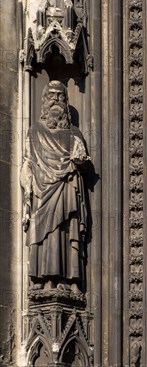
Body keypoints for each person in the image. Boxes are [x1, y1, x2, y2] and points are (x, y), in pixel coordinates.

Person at [20, 81, 90, 293]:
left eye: (60, 97)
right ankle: (42, 278)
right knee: (45, 233)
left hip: (66, 188)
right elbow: (28, 162)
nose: (56, 101)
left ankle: (71, 279)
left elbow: (82, 161)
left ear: (66, 102)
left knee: (67, 230)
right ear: (44, 101)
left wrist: (80, 162)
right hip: (43, 192)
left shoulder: (74, 134)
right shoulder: (35, 132)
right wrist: (28, 190)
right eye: (51, 96)